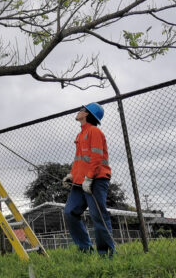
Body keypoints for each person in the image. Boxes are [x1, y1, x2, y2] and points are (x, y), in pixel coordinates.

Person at [63, 102, 116, 256]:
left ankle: (106, 254)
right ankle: (85, 250)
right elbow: (79, 159)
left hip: (97, 180)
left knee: (98, 216)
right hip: (80, 182)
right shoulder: (81, 134)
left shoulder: (94, 132)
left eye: (81, 109)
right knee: (70, 212)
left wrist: (90, 178)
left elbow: (97, 157)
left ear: (87, 114)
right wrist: (72, 175)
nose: (79, 111)